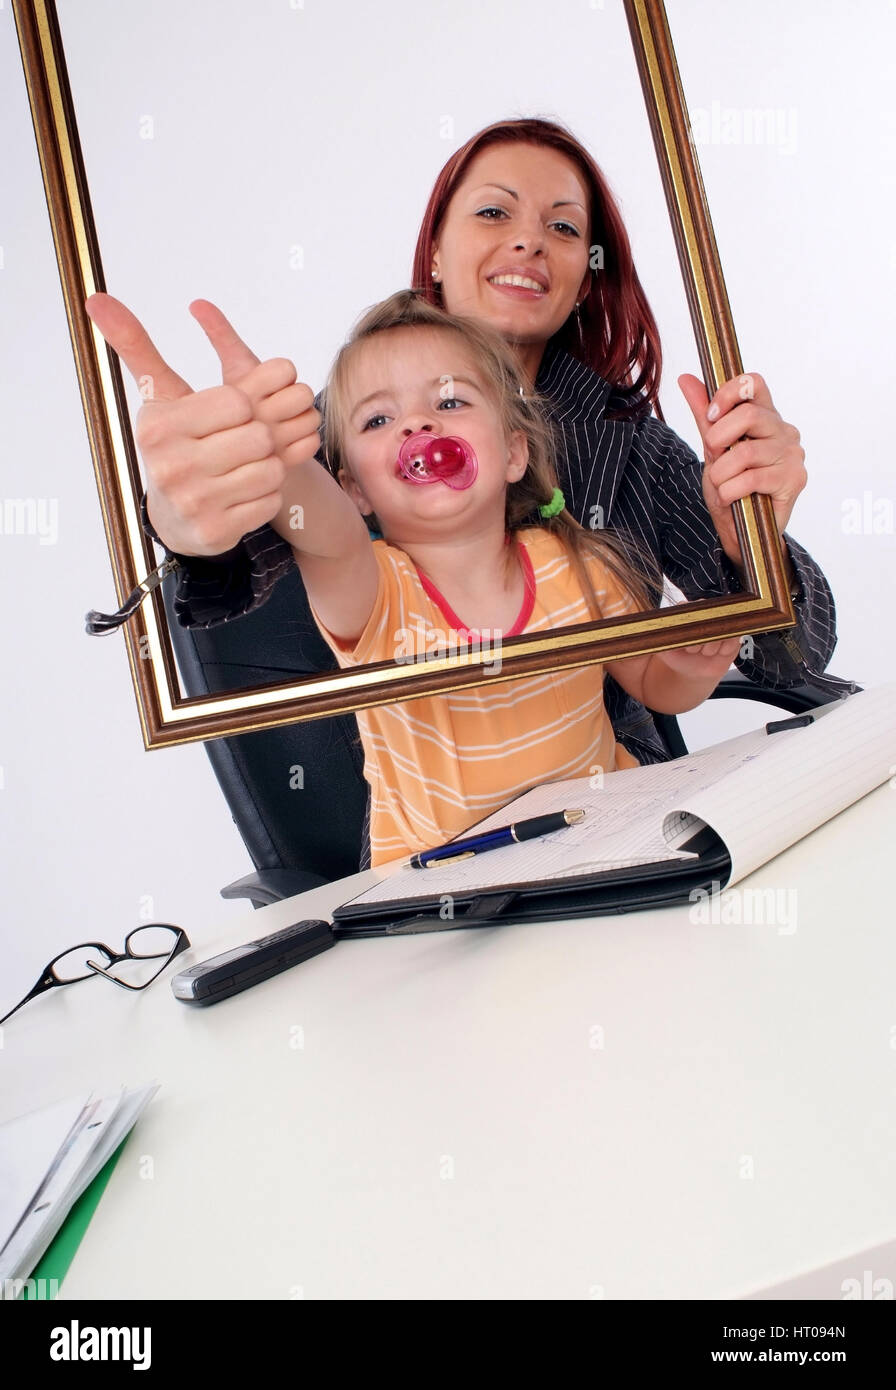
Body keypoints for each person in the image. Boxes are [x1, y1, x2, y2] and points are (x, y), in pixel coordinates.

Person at [85, 118, 854, 866]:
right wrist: (184, 517)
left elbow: (787, 653)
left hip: (625, 831)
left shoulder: (626, 451)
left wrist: (746, 539)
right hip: (446, 862)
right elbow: (268, 531)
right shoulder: (326, 429)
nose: (527, 241)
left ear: (587, 277)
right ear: (437, 256)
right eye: (494, 212)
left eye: (561, 228)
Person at [268, 288, 740, 866]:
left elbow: (655, 684)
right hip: (447, 897)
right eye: (378, 418)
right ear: (356, 491)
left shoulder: (579, 562)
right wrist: (282, 461)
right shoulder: (376, 590)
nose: (416, 423)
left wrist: (692, 665)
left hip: (611, 844)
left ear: (515, 452)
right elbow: (326, 535)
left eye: (449, 402)